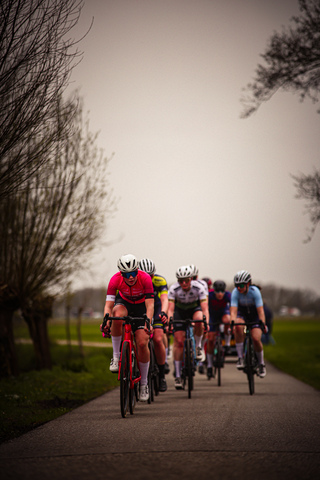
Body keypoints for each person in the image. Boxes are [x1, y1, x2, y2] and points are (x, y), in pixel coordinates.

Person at [100, 254, 154, 401]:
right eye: (126, 274)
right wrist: (106, 320)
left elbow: (150, 304)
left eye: (133, 273)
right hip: (124, 303)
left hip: (142, 307)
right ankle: (116, 357)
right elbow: (108, 305)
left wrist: (148, 321)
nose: (131, 277)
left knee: (142, 343)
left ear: (137, 270)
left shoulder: (145, 278)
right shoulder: (114, 280)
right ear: (121, 273)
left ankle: (144, 385)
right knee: (116, 316)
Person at [167, 265, 209, 389]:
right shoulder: (173, 289)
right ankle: (178, 376)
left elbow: (205, 308)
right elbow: (170, 309)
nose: (184, 283)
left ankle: (198, 347)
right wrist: (169, 322)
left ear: (191, 279)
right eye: (180, 281)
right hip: (179, 312)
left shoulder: (199, 288)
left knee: (199, 319)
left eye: (186, 280)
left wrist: (206, 323)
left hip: (194, 309)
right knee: (179, 342)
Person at [230, 270, 267, 378]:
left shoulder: (255, 291)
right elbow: (233, 312)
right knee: (238, 326)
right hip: (242, 314)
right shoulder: (235, 293)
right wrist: (232, 323)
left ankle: (261, 364)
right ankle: (240, 358)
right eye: (236, 285)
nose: (239, 288)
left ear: (248, 284)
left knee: (256, 338)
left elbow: (260, 311)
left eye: (241, 285)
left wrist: (263, 324)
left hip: (254, 314)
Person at [139, 258, 169, 392]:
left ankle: (162, 375)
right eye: (145, 275)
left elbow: (164, 299)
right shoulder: (135, 281)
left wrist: (163, 312)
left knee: (157, 339)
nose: (148, 278)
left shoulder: (160, 281)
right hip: (141, 310)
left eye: (150, 275)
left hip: (156, 309)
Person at [207, 280, 231, 379]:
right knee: (211, 339)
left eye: (222, 291)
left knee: (228, 320)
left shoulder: (228, 295)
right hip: (212, 315)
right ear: (214, 290)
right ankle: (209, 366)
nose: (220, 294)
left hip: (222, 313)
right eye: (217, 291)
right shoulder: (209, 295)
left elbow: (233, 307)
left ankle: (227, 343)